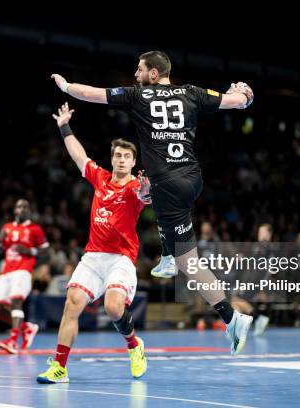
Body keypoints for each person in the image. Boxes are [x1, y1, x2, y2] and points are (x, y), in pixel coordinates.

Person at [52, 50, 254, 354]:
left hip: (167, 184)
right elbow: (235, 101)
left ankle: (168, 255)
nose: (135, 75)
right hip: (192, 179)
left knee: (148, 186)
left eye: (139, 70)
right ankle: (232, 318)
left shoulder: (138, 96)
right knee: (191, 262)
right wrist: (245, 94)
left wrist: (66, 86)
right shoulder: (193, 92)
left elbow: (90, 93)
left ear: (154, 74)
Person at [37, 103, 149, 383]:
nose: (122, 160)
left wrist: (148, 191)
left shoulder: (136, 187)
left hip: (120, 259)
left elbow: (146, 198)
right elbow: (78, 155)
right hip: (93, 257)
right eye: (118, 155)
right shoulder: (100, 178)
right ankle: (60, 367)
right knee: (72, 302)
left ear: (133, 162)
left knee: (113, 307)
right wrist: (64, 126)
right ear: (112, 159)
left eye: (127, 156)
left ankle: (134, 345)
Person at [0, 199, 49, 353]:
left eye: (25, 207)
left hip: (23, 271)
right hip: (6, 272)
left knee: (16, 302)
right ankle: (26, 328)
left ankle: (12, 341)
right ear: (15, 210)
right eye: (19, 206)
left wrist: (30, 251)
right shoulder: (7, 227)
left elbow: (45, 251)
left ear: (29, 211)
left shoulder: (35, 229)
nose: (22, 209)